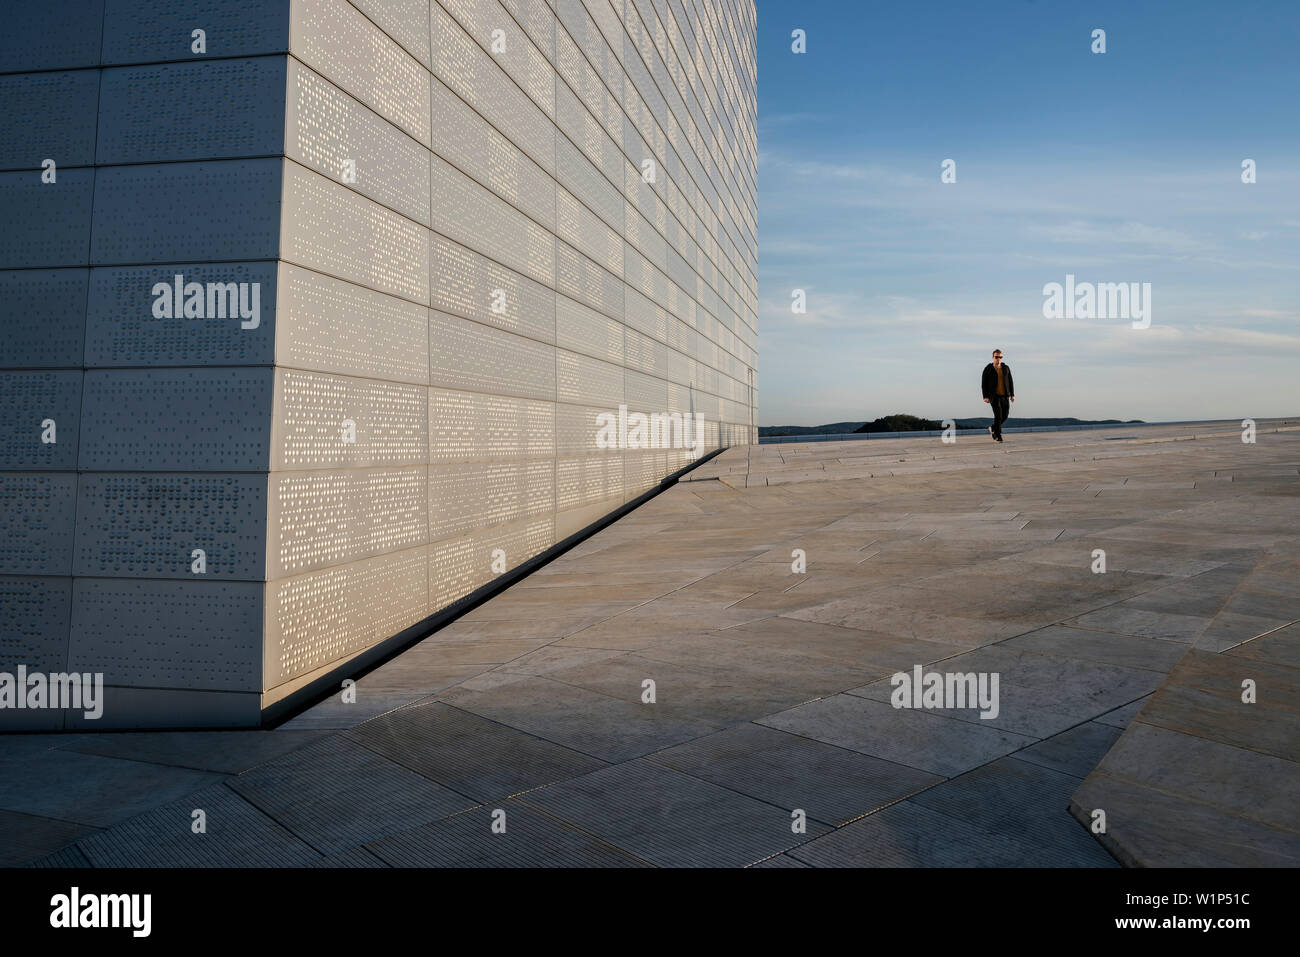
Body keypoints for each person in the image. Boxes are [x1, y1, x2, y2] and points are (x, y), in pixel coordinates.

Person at [980, 349, 1014, 442]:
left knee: (1005, 416)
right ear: (993, 358)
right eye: (996, 357)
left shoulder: (1006, 368)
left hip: (1005, 395)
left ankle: (993, 427)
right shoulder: (988, 368)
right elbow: (984, 383)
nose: (998, 359)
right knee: (998, 416)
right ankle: (998, 436)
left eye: (1000, 357)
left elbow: (1010, 381)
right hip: (993, 396)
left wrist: (1012, 394)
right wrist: (985, 396)